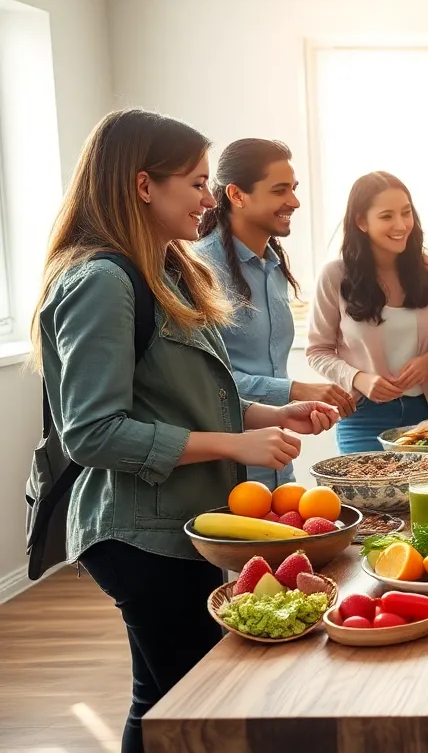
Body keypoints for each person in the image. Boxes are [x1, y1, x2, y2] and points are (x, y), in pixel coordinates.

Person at [32, 109, 339, 752]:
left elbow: (188, 401)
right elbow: (91, 433)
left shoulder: (167, 270)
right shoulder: (101, 282)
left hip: (183, 523)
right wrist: (234, 444)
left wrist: (269, 417)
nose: (208, 199)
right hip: (138, 533)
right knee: (178, 705)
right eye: (197, 183)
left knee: (180, 698)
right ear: (144, 186)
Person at [197, 138, 355, 487]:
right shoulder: (201, 269)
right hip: (224, 472)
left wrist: (291, 403)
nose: (295, 202)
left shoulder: (273, 265)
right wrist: (293, 390)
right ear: (237, 195)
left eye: (294, 189)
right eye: (280, 190)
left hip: (277, 465)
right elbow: (202, 381)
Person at [307, 171, 428, 454]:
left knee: (425, 496)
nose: (401, 225)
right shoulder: (334, 275)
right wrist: (359, 378)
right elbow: (317, 351)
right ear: (361, 221)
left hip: (425, 412)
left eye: (406, 213)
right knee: (363, 497)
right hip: (362, 415)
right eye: (387, 216)